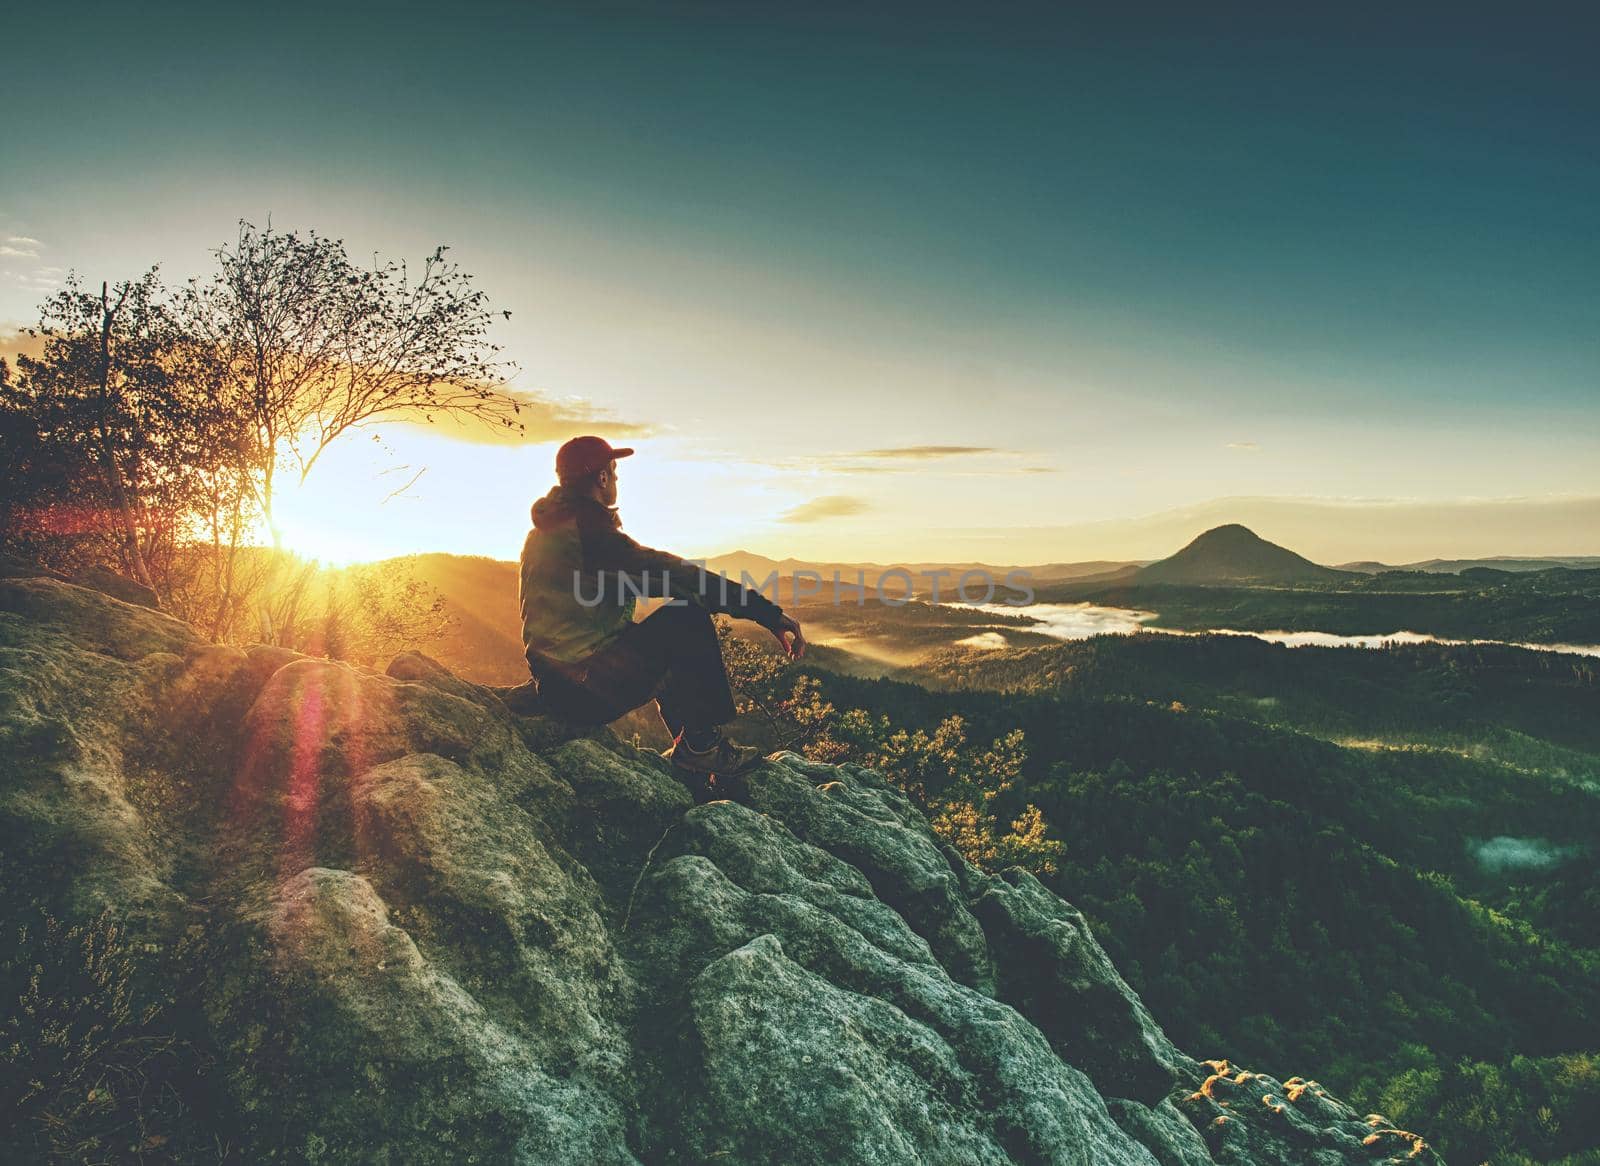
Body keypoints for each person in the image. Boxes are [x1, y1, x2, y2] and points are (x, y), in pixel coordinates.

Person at [518, 435, 805, 785]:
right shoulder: (591, 537)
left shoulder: (549, 532)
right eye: (614, 471)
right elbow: (677, 575)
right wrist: (767, 613)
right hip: (581, 690)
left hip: (556, 683)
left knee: (661, 646)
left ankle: (693, 763)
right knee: (686, 619)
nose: (617, 479)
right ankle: (701, 747)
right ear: (602, 479)